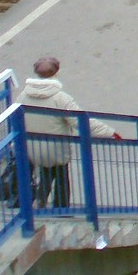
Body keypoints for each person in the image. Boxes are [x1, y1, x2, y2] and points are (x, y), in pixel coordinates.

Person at [20, 56, 118, 208]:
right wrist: (109, 132)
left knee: (46, 171)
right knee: (61, 176)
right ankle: (61, 208)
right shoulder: (61, 98)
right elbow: (80, 121)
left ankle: (40, 201)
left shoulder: (23, 96)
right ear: (56, 73)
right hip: (56, 148)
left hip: (33, 147)